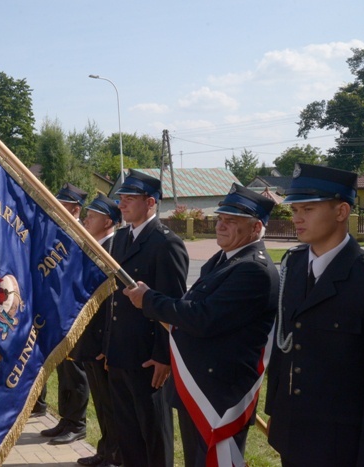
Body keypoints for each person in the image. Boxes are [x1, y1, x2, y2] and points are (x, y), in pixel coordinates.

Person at [124, 183, 279, 466]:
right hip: (199, 384)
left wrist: (149, 300)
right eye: (220, 219)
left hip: (218, 393)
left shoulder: (253, 269)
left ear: (256, 228)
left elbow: (202, 317)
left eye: (231, 221)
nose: (220, 226)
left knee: (213, 460)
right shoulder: (225, 258)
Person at [265, 163, 364, 466]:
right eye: (294, 210)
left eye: (308, 209)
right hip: (293, 432)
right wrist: (276, 413)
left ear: (341, 211)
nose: (297, 218)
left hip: (341, 443)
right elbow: (285, 346)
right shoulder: (292, 266)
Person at [104, 169, 189, 467]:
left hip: (148, 357)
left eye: (129, 198)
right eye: (121, 198)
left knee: (153, 432)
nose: (122, 204)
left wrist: (164, 356)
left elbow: (172, 304)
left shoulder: (166, 243)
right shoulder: (122, 237)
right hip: (120, 352)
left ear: (150, 202)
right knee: (128, 433)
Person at [73, 194, 123, 467]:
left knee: (111, 404)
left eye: (91, 216)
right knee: (102, 403)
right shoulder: (94, 246)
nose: (85, 219)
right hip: (90, 338)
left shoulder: (113, 249)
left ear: (107, 221)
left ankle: (115, 454)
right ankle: (105, 450)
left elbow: (111, 304)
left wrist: (107, 345)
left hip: (103, 342)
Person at [40, 183, 91, 444]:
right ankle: (65, 419)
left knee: (75, 370)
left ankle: (77, 423)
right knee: (63, 369)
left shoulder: (84, 234)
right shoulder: (59, 232)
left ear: (75, 208)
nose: (56, 208)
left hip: (76, 314)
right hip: (58, 311)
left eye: (62, 204)